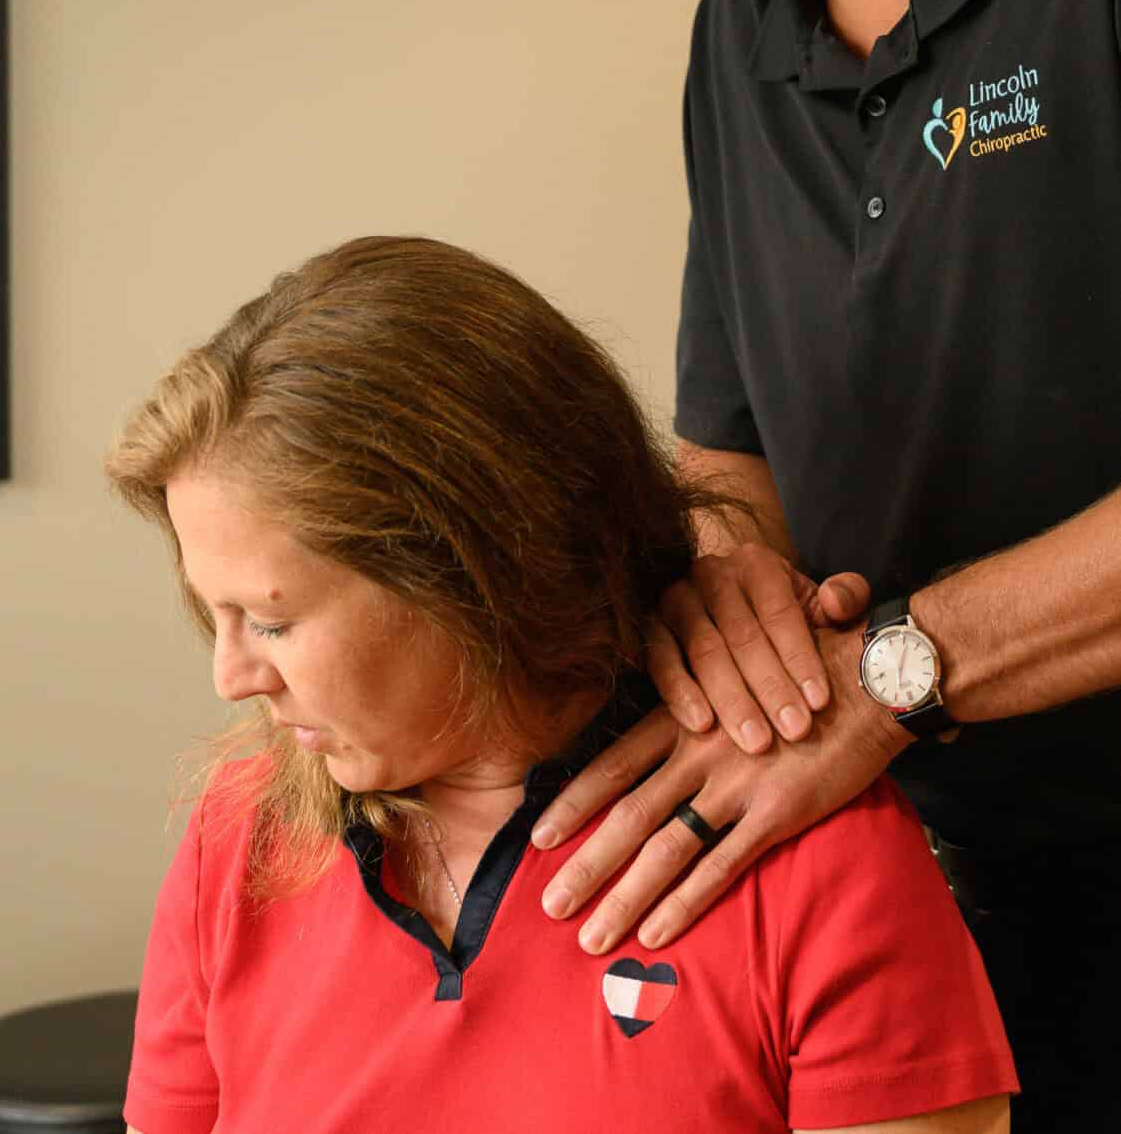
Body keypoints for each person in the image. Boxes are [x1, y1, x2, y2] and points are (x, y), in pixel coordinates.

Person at [458, 0, 1121, 1133]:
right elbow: (725, 455)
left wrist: (890, 674)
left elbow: (886, 668)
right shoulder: (732, 40)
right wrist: (729, 592)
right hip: (916, 928)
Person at [107, 235, 1013, 1134]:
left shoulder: (816, 855)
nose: (230, 676)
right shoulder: (239, 838)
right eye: (212, 613)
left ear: (473, 574)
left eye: (269, 621)